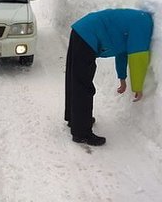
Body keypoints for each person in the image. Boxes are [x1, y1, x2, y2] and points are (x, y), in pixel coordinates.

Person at [65, 8, 153, 146]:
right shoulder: (143, 25)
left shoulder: (138, 20)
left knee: (75, 79)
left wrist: (122, 78)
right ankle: (81, 132)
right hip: (88, 35)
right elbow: (137, 57)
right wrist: (138, 87)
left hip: (82, 31)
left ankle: (75, 119)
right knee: (83, 85)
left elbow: (122, 51)